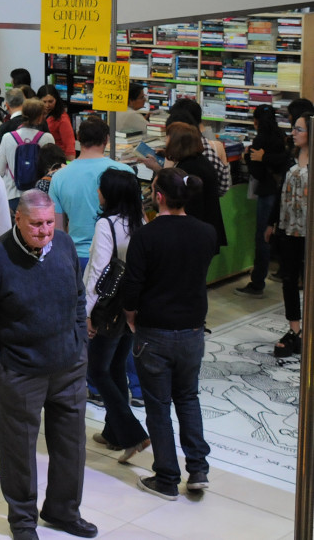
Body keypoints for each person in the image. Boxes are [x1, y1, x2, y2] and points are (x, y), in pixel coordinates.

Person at [0, 190, 96, 540]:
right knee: (19, 451)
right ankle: (23, 522)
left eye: (50, 223)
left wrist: (79, 341)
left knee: (71, 445)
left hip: (68, 366)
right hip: (20, 372)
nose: (45, 231)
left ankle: (63, 511)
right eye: (36, 224)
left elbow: (79, 296)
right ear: (17, 219)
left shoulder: (64, 245)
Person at [122, 168, 217, 500]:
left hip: (155, 331)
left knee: (158, 406)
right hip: (192, 330)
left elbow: (131, 289)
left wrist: (131, 319)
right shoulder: (206, 233)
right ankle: (198, 469)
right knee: (188, 398)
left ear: (157, 195)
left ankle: (166, 476)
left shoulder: (146, 236)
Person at [84, 169, 149, 462]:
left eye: (101, 188)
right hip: (131, 306)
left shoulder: (106, 225)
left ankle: (133, 433)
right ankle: (113, 432)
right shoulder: (140, 221)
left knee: (98, 369)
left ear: (109, 194)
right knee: (115, 368)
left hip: (107, 308)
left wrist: (86, 313)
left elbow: (98, 272)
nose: (98, 192)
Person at [48, 115, 135, 268]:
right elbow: (136, 217)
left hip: (77, 255)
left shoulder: (59, 177)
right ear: (106, 139)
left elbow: (58, 230)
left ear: (78, 137)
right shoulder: (124, 172)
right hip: (119, 255)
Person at [266, 113, 309, 358]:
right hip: (289, 228)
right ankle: (294, 329)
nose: (293, 132)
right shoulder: (289, 158)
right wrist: (272, 223)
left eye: (299, 129)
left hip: (309, 231)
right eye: (293, 128)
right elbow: (279, 191)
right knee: (290, 279)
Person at [235, 104, 289, 297]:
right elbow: (285, 159)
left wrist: (248, 158)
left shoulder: (260, 140)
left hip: (267, 191)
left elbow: (256, 172)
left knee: (262, 236)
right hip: (283, 189)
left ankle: (257, 282)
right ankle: (283, 272)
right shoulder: (282, 136)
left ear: (256, 121)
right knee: (278, 233)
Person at [163, 121, 225, 253]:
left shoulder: (187, 168)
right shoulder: (199, 161)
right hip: (206, 232)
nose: (165, 141)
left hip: (194, 237)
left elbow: (190, 206)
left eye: (167, 137)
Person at [0, 98, 55, 211]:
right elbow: (52, 170)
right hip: (39, 194)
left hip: (12, 194)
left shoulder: (8, 137)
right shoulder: (47, 138)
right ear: (40, 117)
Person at [36, 85, 75, 161]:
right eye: (44, 102)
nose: (47, 105)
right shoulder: (37, 115)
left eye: (51, 101)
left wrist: (70, 164)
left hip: (57, 158)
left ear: (56, 100)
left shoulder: (62, 118)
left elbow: (69, 144)